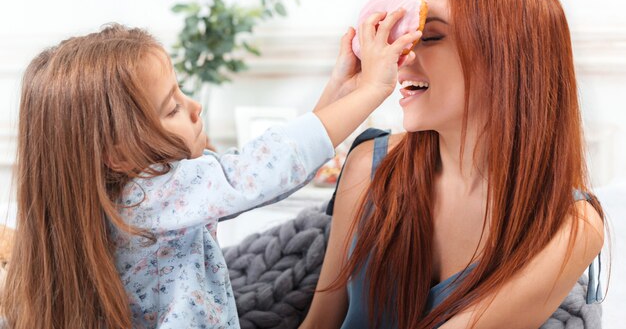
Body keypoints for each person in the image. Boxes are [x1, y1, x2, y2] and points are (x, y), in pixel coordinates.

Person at [0, 18, 422, 329]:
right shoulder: (153, 195)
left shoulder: (107, 199)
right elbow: (261, 171)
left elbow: (265, 172)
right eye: (172, 107)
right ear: (116, 152)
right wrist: (371, 90)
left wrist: (337, 91)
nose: (194, 106)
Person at [300, 0, 605, 329]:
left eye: (429, 37)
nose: (402, 57)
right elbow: (318, 324)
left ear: (505, 60)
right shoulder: (369, 166)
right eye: (404, 39)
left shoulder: (571, 225)